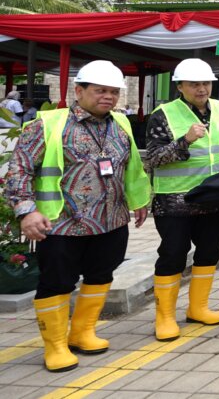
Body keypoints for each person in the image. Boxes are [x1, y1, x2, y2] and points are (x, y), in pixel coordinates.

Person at [5, 61, 150, 372]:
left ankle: (83, 332)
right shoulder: (48, 124)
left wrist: (140, 201)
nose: (108, 97)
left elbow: (132, 168)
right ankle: (55, 345)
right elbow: (19, 170)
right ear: (79, 90)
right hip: (60, 224)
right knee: (56, 282)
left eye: (113, 91)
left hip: (110, 220)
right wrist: (26, 211)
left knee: (102, 275)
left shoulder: (120, 124)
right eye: (100, 91)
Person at [143, 59, 219, 341]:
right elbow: (154, 158)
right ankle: (165, 317)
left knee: (210, 253)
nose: (201, 88)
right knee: (173, 255)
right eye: (194, 84)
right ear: (180, 86)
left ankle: (198, 308)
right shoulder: (163, 115)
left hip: (213, 199)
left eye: (205, 83)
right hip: (174, 203)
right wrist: (185, 141)